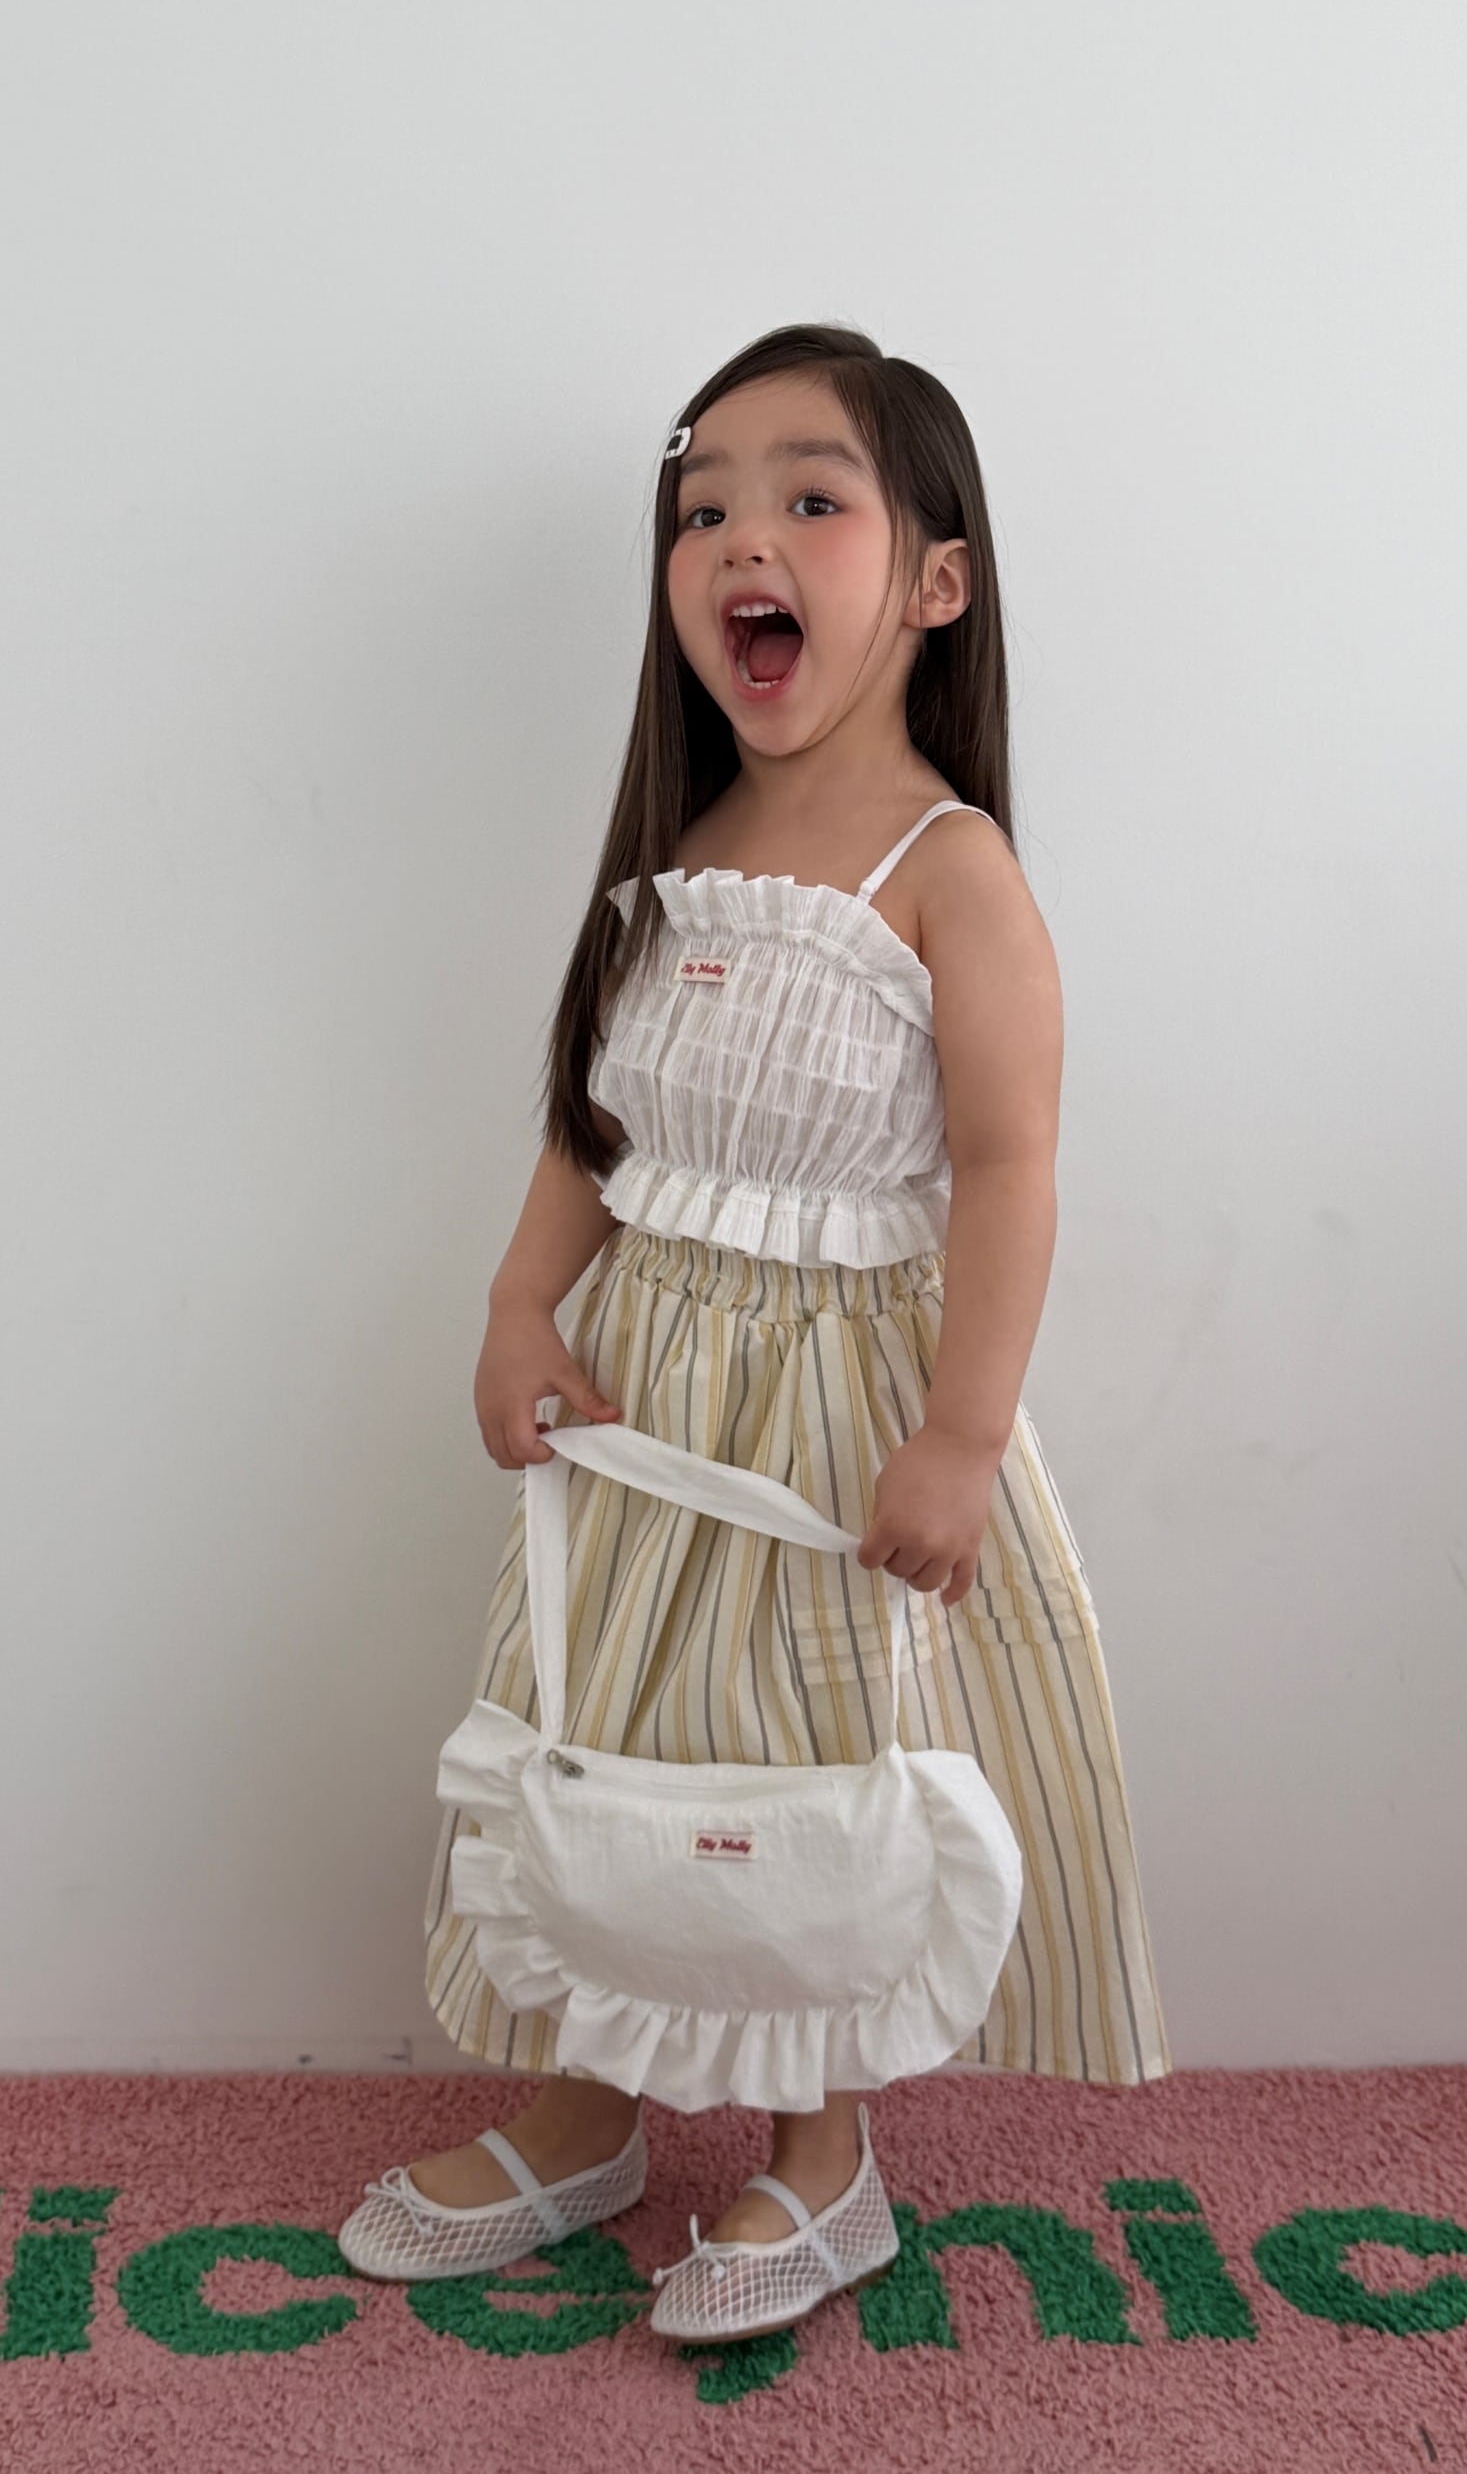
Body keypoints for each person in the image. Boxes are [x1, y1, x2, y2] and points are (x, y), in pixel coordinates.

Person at [337, 321, 1171, 2343]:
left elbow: (1010, 1167)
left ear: (936, 579)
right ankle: (586, 2109)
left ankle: (821, 2148)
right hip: (645, 1409)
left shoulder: (949, 874)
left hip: (832, 1419)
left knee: (804, 1772)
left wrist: (960, 1433)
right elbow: (596, 1121)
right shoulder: (684, 850)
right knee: (604, 1735)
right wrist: (519, 1299)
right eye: (701, 505)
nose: (740, 539)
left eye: (809, 497)